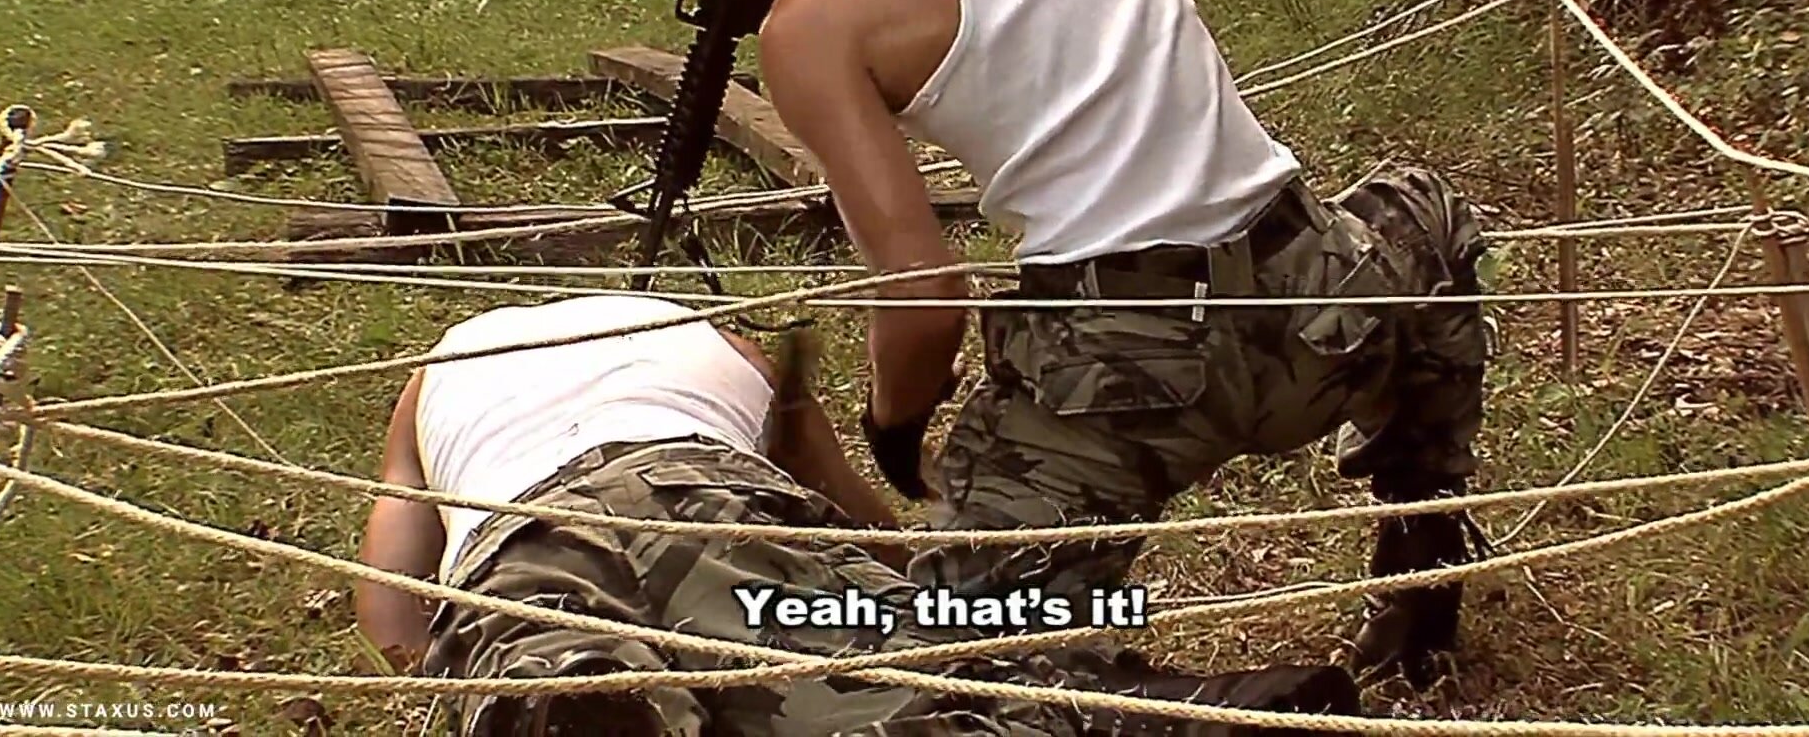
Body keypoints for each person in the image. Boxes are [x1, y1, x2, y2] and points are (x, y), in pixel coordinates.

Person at [547, 0, 1494, 691]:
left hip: (1126, 373)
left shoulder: (812, 21)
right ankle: (1423, 538)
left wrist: (892, 424)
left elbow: (925, 298)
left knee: (958, 652)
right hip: (1322, 302)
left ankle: (1210, 708)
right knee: (1423, 212)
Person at [354, 294, 1364, 735]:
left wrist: (430, 664)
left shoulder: (435, 375)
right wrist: (922, 599)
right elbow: (853, 522)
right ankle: (1115, 711)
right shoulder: (721, 343)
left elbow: (390, 601)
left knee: (538, 659)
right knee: (872, 665)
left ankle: (569, 679)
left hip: (523, 531)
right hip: (705, 491)